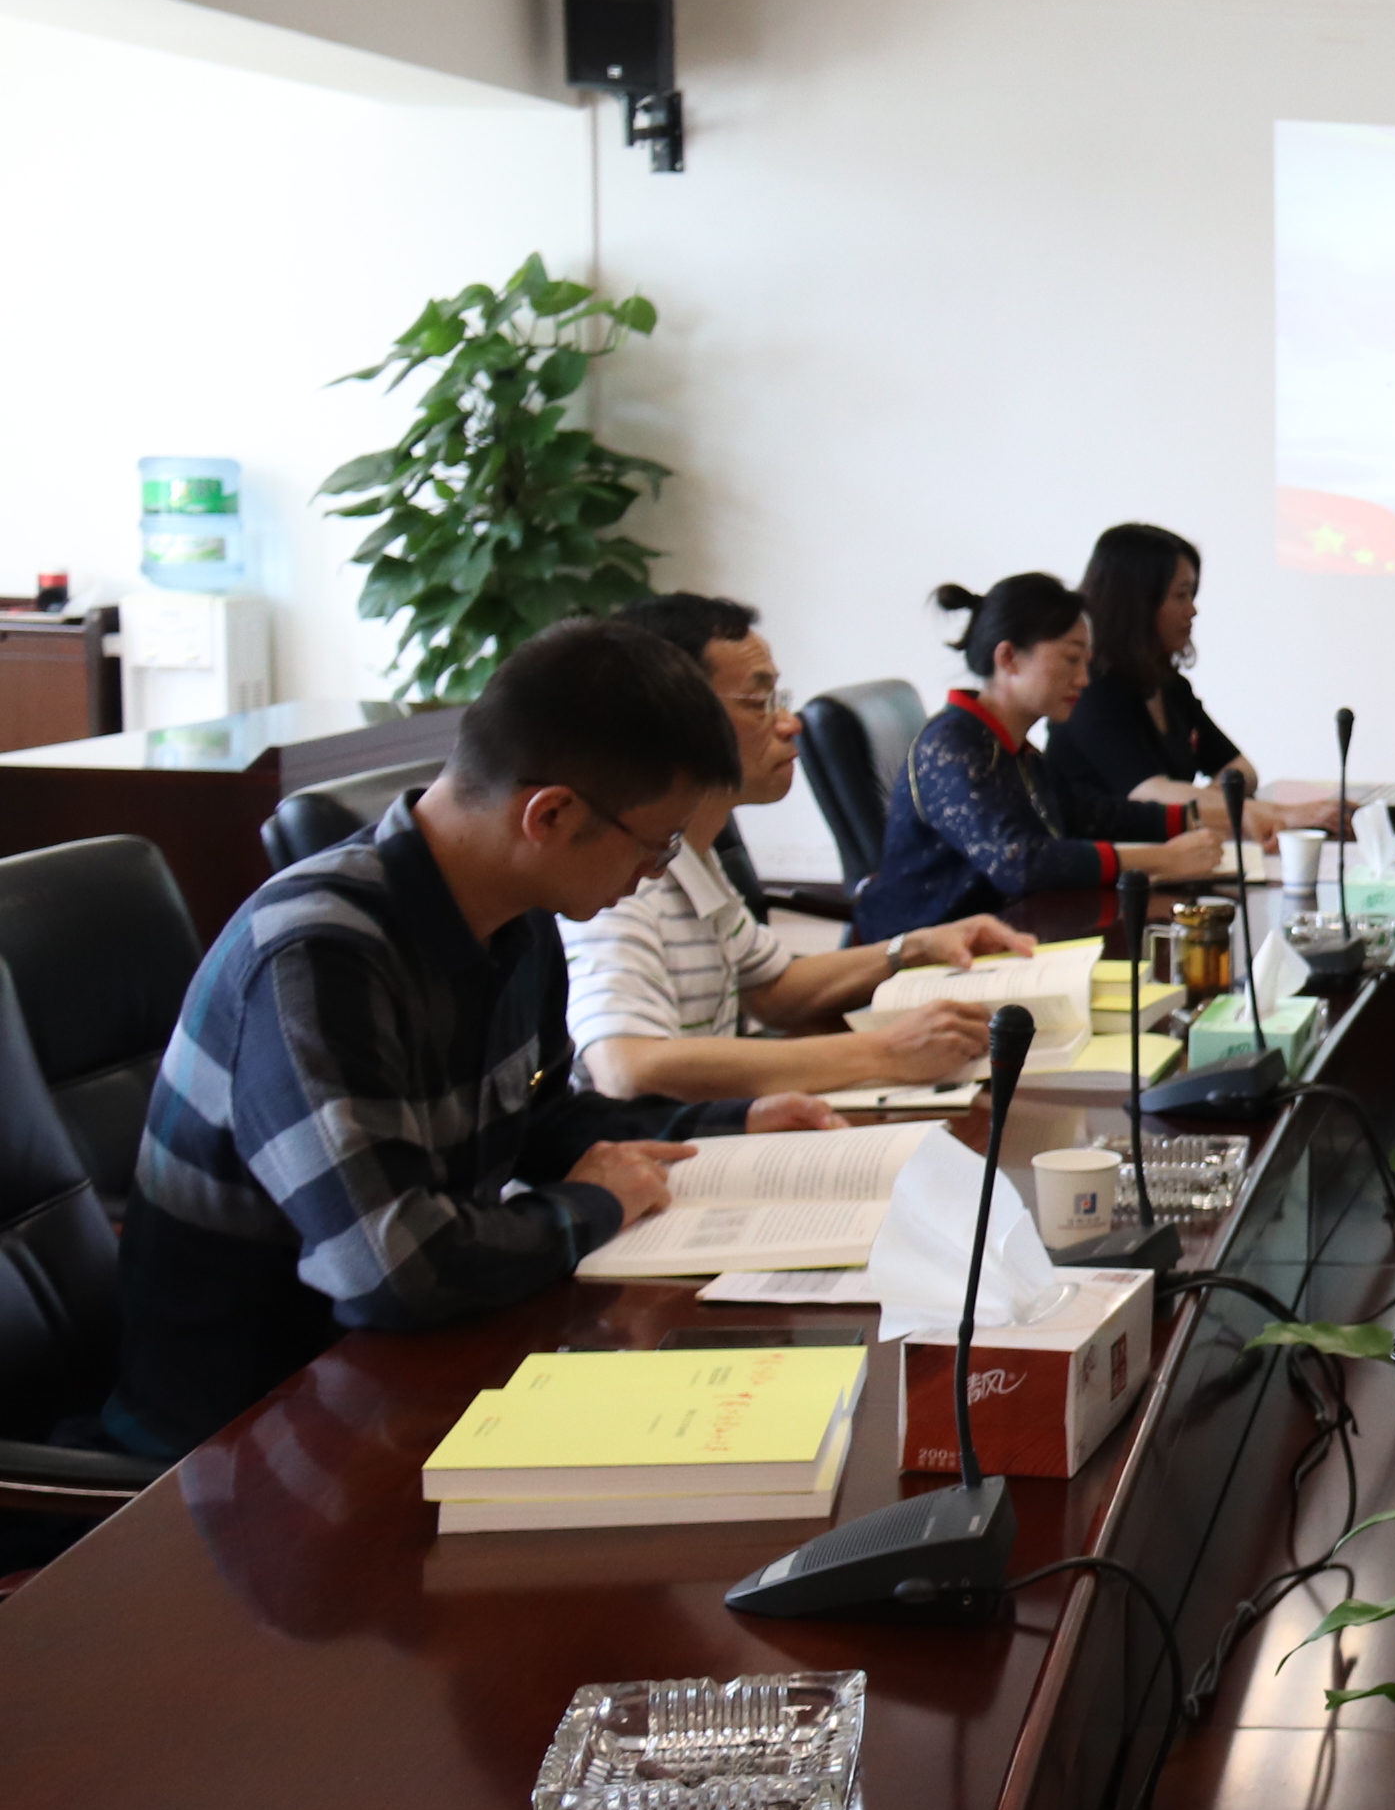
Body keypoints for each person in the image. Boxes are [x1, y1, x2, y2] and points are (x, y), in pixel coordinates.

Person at [105, 619, 842, 1461]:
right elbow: (394, 1270)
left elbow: (537, 1118)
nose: (657, 872)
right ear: (551, 814)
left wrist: (732, 1126)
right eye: (657, 844)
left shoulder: (515, 916)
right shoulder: (316, 955)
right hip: (246, 1443)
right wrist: (595, 1205)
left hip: (409, 1376)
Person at [561, 593, 1037, 1101]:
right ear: (672, 719)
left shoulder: (694, 855)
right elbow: (627, 1067)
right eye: (759, 702)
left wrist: (916, 947)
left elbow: (773, 989)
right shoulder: (622, 881)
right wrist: (882, 1053)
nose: (790, 724)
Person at [852, 573, 1231, 945]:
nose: (1084, 679)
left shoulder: (1012, 748)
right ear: (1009, 658)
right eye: (1071, 659)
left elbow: (1085, 812)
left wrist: (1190, 818)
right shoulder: (951, 744)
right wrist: (1162, 859)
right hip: (923, 957)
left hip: (999, 938)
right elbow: (1019, 862)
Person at [1047, 521, 1260, 816]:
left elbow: (1241, 770)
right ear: (1137, 601)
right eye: (1181, 595)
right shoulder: (1090, 688)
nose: (1193, 610)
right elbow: (1151, 793)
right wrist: (1251, 810)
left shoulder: (1171, 686)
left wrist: (1210, 801)